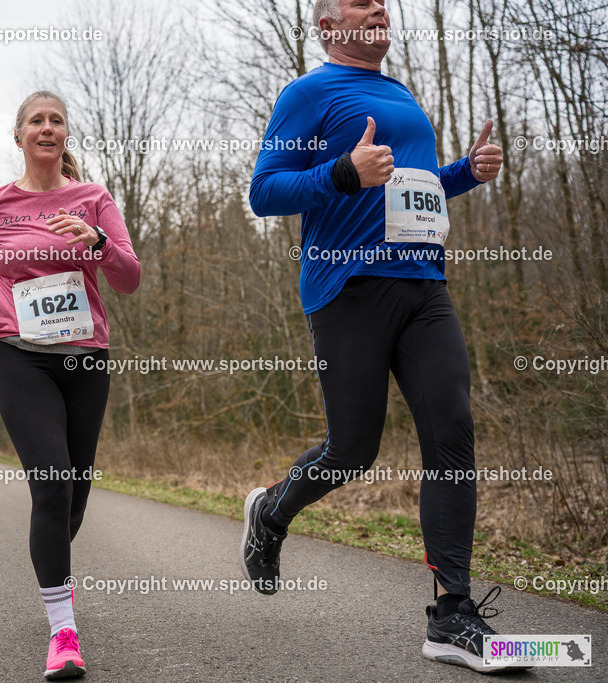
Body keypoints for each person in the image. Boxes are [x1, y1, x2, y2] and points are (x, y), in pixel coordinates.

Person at [242, 0, 522, 674]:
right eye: (362, 2)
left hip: (425, 286)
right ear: (327, 24)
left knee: (452, 428)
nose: (379, 10)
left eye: (384, 5)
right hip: (348, 289)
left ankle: (451, 613)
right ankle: (271, 513)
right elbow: (264, 191)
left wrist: (465, 172)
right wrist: (343, 172)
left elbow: (410, 189)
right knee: (354, 449)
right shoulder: (308, 94)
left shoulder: (401, 95)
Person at [0, 90, 140, 680]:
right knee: (53, 486)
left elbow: (129, 277)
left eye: (56, 120)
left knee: (73, 499)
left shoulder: (94, 199)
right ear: (19, 136)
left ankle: (52, 566)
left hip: (85, 357)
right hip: (18, 355)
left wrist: (97, 243)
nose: (47, 128)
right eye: (36, 120)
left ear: (66, 136)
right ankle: (63, 632)